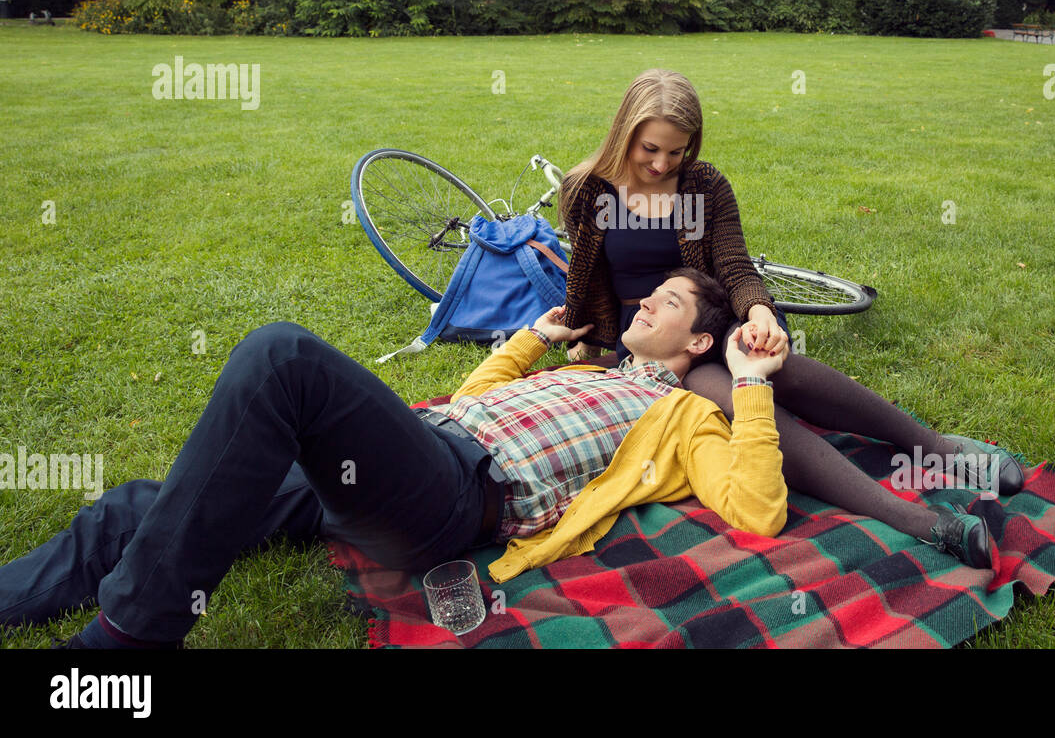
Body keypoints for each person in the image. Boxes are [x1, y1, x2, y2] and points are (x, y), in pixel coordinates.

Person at [0, 268, 817, 648]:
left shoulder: (681, 414)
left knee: (283, 359)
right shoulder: (589, 369)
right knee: (143, 505)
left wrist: (748, 386)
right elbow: (473, 398)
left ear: (699, 339)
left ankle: (130, 641)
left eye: (665, 302)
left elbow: (755, 506)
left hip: (456, 497)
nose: (642, 302)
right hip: (427, 449)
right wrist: (533, 340)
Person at [559, 69, 1023, 549]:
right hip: (657, 332)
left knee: (787, 371)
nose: (661, 164)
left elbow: (734, 266)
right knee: (738, 395)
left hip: (718, 314)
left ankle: (936, 450)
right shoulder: (588, 190)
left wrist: (758, 312)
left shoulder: (703, 185)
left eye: (675, 151)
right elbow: (585, 277)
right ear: (625, 133)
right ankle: (916, 522)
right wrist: (581, 341)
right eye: (649, 149)